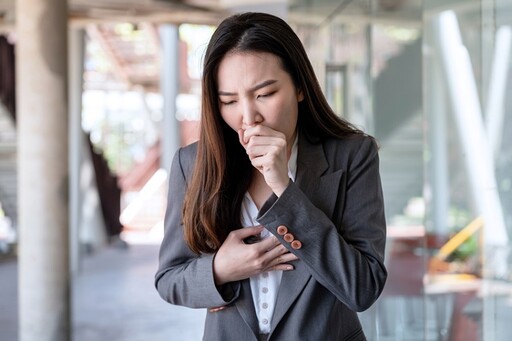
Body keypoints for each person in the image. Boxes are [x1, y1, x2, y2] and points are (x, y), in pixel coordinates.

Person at [155, 12, 387, 341]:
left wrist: (284, 189)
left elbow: (363, 288)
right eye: (230, 101)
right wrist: (220, 269)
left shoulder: (352, 156)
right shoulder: (192, 164)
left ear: (300, 87)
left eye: (264, 94)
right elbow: (169, 280)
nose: (248, 117)